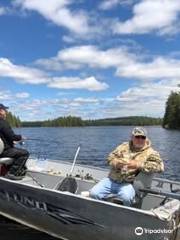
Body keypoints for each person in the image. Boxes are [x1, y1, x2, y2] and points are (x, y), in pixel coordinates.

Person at [90, 127, 164, 206]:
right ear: (132, 137)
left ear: (146, 139)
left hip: (128, 183)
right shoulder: (123, 146)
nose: (140, 139)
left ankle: (126, 214)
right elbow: (110, 158)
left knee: (126, 197)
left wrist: (137, 165)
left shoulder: (151, 152)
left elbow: (160, 167)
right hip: (112, 180)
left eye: (143, 137)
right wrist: (116, 163)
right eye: (137, 137)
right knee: (94, 193)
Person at [0, 103, 29, 180]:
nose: (6, 112)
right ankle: (12, 173)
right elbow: (12, 136)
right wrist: (21, 137)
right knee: (24, 153)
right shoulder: (3, 123)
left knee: (16, 151)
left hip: (2, 150)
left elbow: (2, 137)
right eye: (4, 110)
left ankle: (6, 170)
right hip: (4, 151)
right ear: (0, 111)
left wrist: (12, 142)